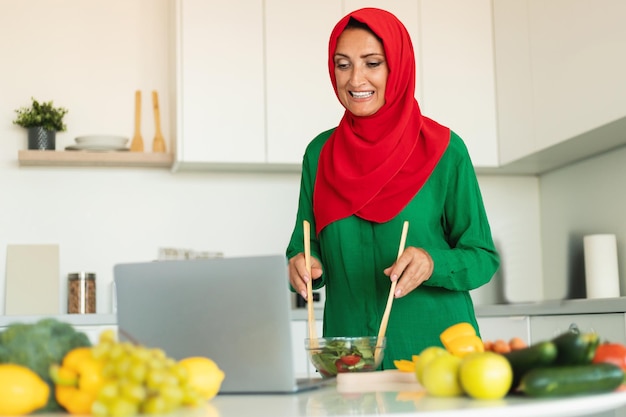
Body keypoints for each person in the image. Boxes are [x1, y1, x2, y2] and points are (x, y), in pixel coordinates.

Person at [286, 7, 500, 369]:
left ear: (397, 67)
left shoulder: (445, 150)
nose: (355, 79)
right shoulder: (318, 154)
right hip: (350, 362)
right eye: (343, 64)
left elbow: (482, 257)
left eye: (372, 63)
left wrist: (433, 262)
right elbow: (304, 246)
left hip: (438, 361)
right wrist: (301, 266)